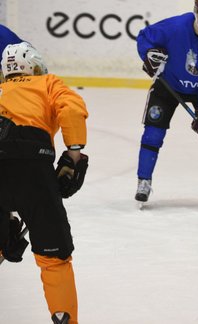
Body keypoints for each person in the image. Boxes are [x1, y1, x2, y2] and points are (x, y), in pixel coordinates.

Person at [0, 42, 89, 324]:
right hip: (33, 168)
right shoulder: (47, 83)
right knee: (54, 256)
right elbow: (72, 109)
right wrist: (72, 156)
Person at [134, 0, 198, 206]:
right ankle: (143, 181)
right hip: (168, 86)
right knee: (152, 133)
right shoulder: (175, 27)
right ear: (196, 12)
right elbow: (144, 37)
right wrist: (148, 56)